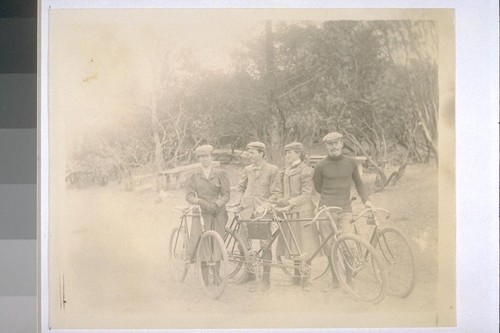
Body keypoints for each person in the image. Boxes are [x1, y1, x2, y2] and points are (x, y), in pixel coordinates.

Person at [312, 132, 373, 292]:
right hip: (325, 210)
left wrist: (366, 200)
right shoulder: (320, 166)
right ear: (326, 146)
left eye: (336, 143)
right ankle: (335, 279)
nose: (333, 147)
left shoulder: (351, 162)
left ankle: (348, 279)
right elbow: (318, 187)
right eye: (330, 144)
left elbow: (359, 183)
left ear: (341, 144)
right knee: (330, 245)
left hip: (345, 209)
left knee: (347, 242)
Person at [232, 141, 280, 291]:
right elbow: (241, 187)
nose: (249, 155)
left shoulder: (273, 170)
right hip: (246, 211)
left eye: (252, 152)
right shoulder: (247, 169)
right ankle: (249, 273)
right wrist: (238, 200)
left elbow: (276, 193)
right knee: (242, 242)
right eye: (248, 152)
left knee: (265, 245)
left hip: (263, 213)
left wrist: (264, 206)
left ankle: (266, 279)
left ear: (262, 153)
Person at [275, 142, 321, 285]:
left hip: (303, 211)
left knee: (305, 244)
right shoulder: (286, 170)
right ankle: (296, 276)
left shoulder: (306, 170)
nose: (287, 155)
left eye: (290, 152)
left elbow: (307, 194)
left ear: (298, 153)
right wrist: (279, 202)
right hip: (289, 211)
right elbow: (286, 193)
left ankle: (305, 278)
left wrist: (289, 203)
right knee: (293, 245)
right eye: (286, 152)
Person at [185, 144, 230, 284]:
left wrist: (216, 204)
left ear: (211, 157)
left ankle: (216, 276)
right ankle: (204, 277)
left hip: (217, 213)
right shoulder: (194, 175)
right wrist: (200, 202)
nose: (204, 159)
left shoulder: (220, 174)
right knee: (202, 242)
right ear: (198, 159)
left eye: (207, 156)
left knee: (217, 243)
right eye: (201, 157)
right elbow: (189, 196)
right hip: (201, 213)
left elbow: (226, 195)